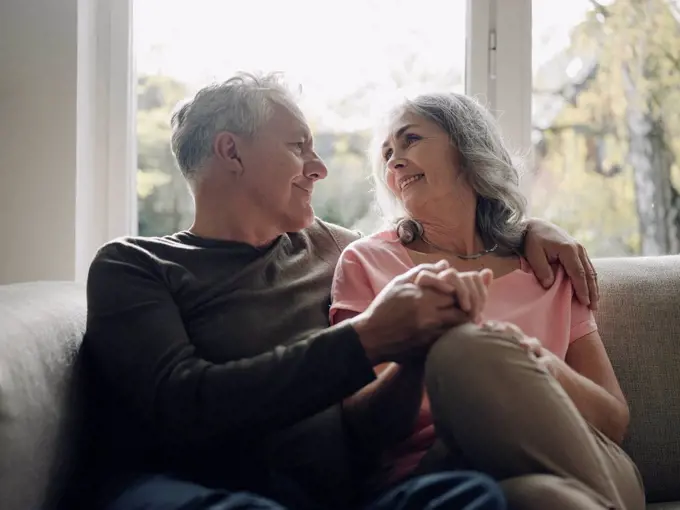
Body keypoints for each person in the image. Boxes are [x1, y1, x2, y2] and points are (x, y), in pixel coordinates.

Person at [75, 73, 600, 510]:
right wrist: (368, 338)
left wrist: (528, 230)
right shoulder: (135, 265)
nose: (319, 167)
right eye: (298, 147)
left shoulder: (337, 249)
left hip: (336, 496)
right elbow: (182, 405)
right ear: (230, 152)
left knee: (471, 496)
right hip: (195, 487)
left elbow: (442, 235)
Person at [329, 91, 645, 509]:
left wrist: (532, 361)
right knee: (550, 500)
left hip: (592, 460)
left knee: (547, 490)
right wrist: (423, 351)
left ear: (466, 145)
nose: (394, 160)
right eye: (386, 153)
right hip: (446, 472)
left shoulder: (545, 266)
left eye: (411, 140)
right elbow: (362, 426)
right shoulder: (366, 262)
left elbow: (612, 421)